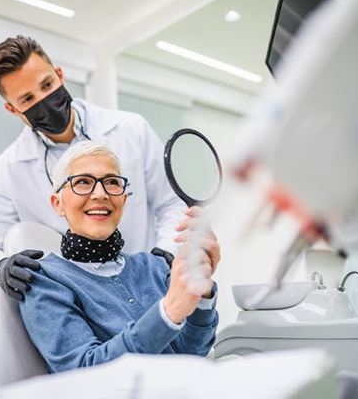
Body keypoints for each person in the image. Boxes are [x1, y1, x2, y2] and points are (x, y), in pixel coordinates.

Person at [0, 36, 189, 301]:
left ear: (60, 75)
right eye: (27, 99)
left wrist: (163, 256)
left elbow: (172, 205)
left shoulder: (131, 130)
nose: (44, 100)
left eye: (47, 84)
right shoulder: (8, 169)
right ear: (12, 109)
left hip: (149, 286)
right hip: (79, 301)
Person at [19, 141, 219, 373]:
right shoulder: (45, 282)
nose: (100, 194)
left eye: (112, 182)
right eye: (83, 182)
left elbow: (192, 353)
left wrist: (201, 294)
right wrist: (169, 311)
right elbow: (85, 373)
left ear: (123, 200)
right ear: (58, 204)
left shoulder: (155, 267)